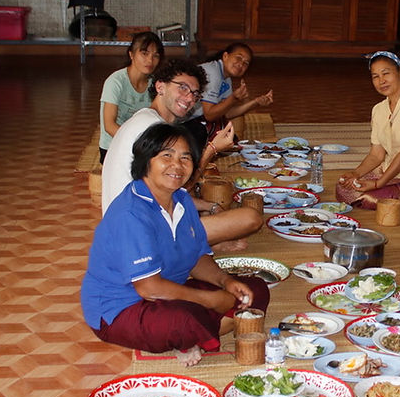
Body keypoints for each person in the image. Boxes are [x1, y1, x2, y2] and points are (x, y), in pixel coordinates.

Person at [81, 123, 270, 366]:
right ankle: (209, 327)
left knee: (254, 288)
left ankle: (205, 329)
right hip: (120, 308)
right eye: (166, 156)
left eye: (185, 157)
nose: (177, 165)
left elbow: (196, 256)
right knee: (183, 320)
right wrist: (210, 301)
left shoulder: (181, 200)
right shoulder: (131, 213)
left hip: (168, 289)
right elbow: (148, 288)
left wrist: (226, 281)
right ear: (146, 160)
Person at [101, 58, 262, 251]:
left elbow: (167, 190)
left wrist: (207, 206)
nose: (189, 98)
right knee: (250, 218)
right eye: (182, 88)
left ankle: (196, 241)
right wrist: (212, 149)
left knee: (203, 203)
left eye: (195, 94)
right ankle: (197, 243)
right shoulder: (152, 128)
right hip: (138, 234)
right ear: (160, 86)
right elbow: (182, 183)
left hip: (128, 223)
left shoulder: (146, 118)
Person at [336, 51, 400, 210]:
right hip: (389, 172)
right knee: (345, 188)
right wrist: (355, 173)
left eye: (386, 73)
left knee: (368, 197)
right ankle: (383, 188)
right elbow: (376, 154)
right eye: (375, 76)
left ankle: (392, 193)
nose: (381, 81)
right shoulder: (379, 109)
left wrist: (378, 184)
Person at [183, 43, 273, 148]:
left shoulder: (226, 78)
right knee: (220, 130)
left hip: (194, 120)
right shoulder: (213, 73)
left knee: (227, 127)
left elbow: (226, 112)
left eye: (246, 63)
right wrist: (233, 99)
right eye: (238, 58)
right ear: (225, 56)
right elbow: (210, 115)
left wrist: (255, 103)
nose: (241, 64)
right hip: (179, 123)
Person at [98, 31, 163, 163]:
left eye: (155, 55)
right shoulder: (115, 81)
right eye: (144, 53)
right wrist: (138, 144)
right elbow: (109, 126)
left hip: (142, 146)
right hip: (114, 146)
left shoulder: (155, 83)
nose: (150, 60)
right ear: (131, 54)